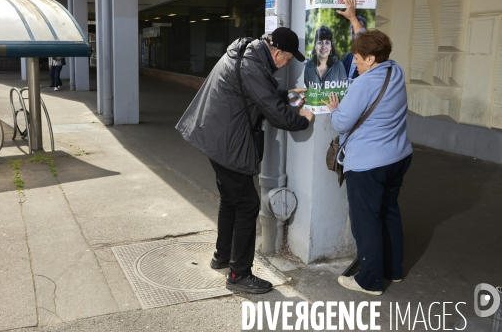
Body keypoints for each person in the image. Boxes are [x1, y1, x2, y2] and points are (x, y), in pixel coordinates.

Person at [176, 27, 315, 294]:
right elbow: (275, 114)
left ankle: (222, 256)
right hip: (225, 142)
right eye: (287, 58)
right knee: (248, 204)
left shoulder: (248, 53)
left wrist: (288, 94)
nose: (287, 63)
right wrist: (303, 119)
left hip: (214, 136)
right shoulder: (253, 65)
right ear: (277, 52)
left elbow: (258, 94)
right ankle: (239, 274)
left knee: (231, 199)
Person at [322, 30, 413, 296]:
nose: (355, 63)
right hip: (399, 157)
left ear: (371, 58)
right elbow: (374, 48)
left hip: (368, 164)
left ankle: (369, 281)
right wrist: (353, 22)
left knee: (366, 221)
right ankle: (393, 270)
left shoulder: (362, 85)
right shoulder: (395, 71)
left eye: (359, 58)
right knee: (389, 211)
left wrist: (334, 109)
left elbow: (341, 123)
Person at [302, 25, 347, 90]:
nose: (324, 46)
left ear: (331, 47)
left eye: (327, 43)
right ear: (315, 46)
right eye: (320, 42)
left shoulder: (339, 67)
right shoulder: (307, 67)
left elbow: (345, 92)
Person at [336, 0, 368, 80]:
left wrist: (352, 18)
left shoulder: (370, 59)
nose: (355, 36)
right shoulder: (347, 58)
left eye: (357, 32)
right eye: (353, 32)